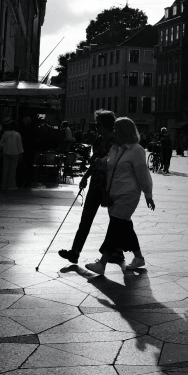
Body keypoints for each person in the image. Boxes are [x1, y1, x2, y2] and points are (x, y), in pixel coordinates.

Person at [86, 117, 155, 275]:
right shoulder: (115, 148)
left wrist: (148, 194)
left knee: (115, 226)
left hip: (128, 195)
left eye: (116, 130)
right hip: (114, 193)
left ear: (124, 132)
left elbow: (143, 174)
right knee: (124, 226)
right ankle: (138, 257)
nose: (113, 132)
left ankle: (102, 263)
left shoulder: (136, 150)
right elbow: (110, 163)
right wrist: (101, 163)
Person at [59, 109, 116, 265]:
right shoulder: (98, 140)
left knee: (116, 221)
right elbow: (93, 162)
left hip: (110, 187)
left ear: (106, 125)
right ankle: (75, 252)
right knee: (85, 220)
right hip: (95, 185)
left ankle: (116, 251)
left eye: (98, 124)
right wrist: (85, 177)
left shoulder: (116, 142)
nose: (96, 126)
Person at [0, 121, 24, 189]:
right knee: (13, 170)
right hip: (15, 153)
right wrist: (21, 154)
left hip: (6, 152)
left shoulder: (5, 133)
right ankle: (11, 185)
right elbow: (19, 145)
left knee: (5, 169)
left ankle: (4, 184)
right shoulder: (17, 134)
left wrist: (0, 150)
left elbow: (1, 143)